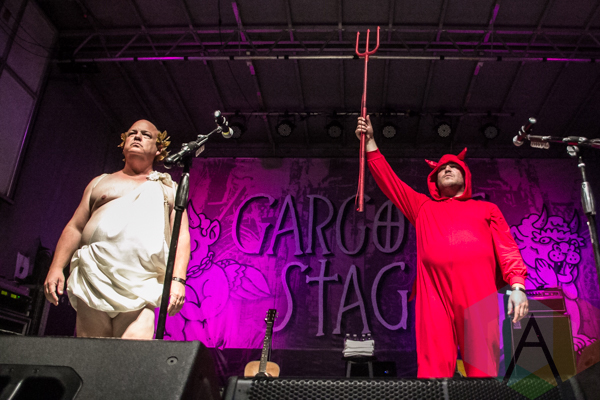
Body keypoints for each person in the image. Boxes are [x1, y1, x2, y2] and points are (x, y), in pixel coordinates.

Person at [356, 116, 529, 378]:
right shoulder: (423, 207)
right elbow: (390, 182)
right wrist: (370, 142)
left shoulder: (486, 209)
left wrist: (517, 287)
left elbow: (507, 248)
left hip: (477, 292)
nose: (446, 170)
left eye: (453, 167)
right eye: (441, 169)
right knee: (433, 371)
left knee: (482, 367)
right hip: (433, 292)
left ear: (466, 176)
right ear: (434, 181)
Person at [43, 120, 190, 339]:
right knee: (92, 354)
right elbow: (75, 227)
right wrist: (56, 267)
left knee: (131, 355)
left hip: (142, 283)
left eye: (146, 135)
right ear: (123, 143)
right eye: (132, 133)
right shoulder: (100, 182)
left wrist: (178, 281)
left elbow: (181, 236)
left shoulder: (168, 188)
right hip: (94, 277)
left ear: (159, 148)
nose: (137, 137)